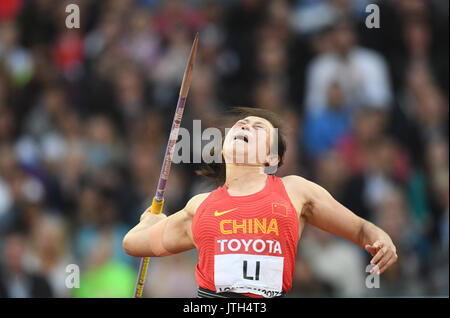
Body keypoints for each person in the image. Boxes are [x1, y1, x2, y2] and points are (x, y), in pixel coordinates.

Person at [123, 107, 398, 298]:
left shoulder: (295, 191)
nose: (244, 126)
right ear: (222, 147)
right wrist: (149, 220)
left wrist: (381, 236)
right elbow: (133, 244)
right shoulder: (200, 205)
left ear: (272, 159)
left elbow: (361, 230)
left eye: (258, 128)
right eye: (241, 124)